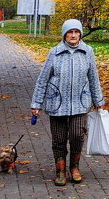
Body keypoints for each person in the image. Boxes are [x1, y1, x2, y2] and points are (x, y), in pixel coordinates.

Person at [30, 19, 104, 187]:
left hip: (80, 101)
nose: (73, 35)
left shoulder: (87, 51)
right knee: (59, 139)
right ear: (64, 34)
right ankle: (60, 171)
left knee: (78, 135)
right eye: (69, 32)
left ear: (80, 34)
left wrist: (98, 101)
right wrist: (36, 104)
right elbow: (42, 80)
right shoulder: (54, 52)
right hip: (56, 102)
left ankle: (75, 167)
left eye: (76, 32)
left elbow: (93, 78)